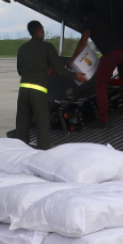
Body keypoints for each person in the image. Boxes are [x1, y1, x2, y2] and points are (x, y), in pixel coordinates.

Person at [16, 21, 85, 149]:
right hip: (38, 91)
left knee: (22, 127)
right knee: (42, 125)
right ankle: (43, 155)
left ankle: (20, 154)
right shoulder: (47, 47)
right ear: (42, 29)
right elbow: (59, 70)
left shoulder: (22, 48)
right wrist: (76, 76)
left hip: (23, 91)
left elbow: (20, 71)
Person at [69, 2, 123, 128]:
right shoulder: (105, 19)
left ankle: (104, 119)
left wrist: (73, 60)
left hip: (112, 53)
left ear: (83, 15)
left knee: (100, 85)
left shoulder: (89, 21)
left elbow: (83, 40)